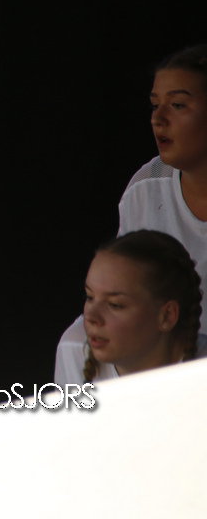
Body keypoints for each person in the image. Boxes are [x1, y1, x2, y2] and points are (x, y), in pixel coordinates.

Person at [54, 44, 207, 379]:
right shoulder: (147, 186)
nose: (158, 118)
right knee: (76, 343)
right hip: (160, 344)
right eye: (154, 105)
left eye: (177, 105)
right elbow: (125, 285)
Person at [53, 230, 203, 384]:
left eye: (115, 305)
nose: (91, 317)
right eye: (90, 297)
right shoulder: (73, 348)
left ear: (167, 316)